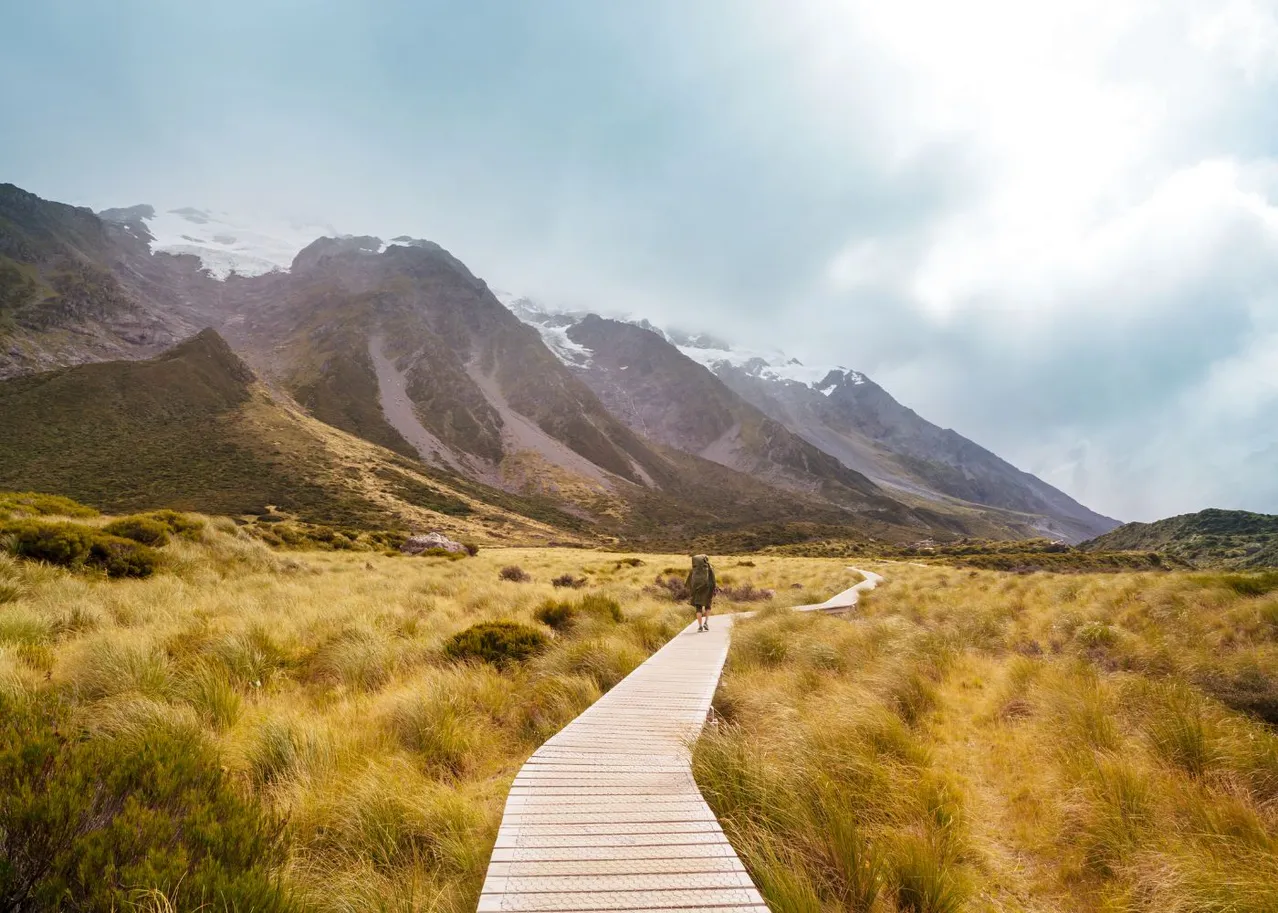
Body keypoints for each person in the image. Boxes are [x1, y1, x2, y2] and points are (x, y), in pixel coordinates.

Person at [686, 554, 716, 632]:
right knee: (708, 606)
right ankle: (706, 622)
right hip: (707, 590)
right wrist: (713, 589)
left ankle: (700, 626)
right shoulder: (709, 568)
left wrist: (692, 591)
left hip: (697, 591)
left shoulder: (693, 570)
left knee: (698, 608)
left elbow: (689, 582)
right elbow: (713, 580)